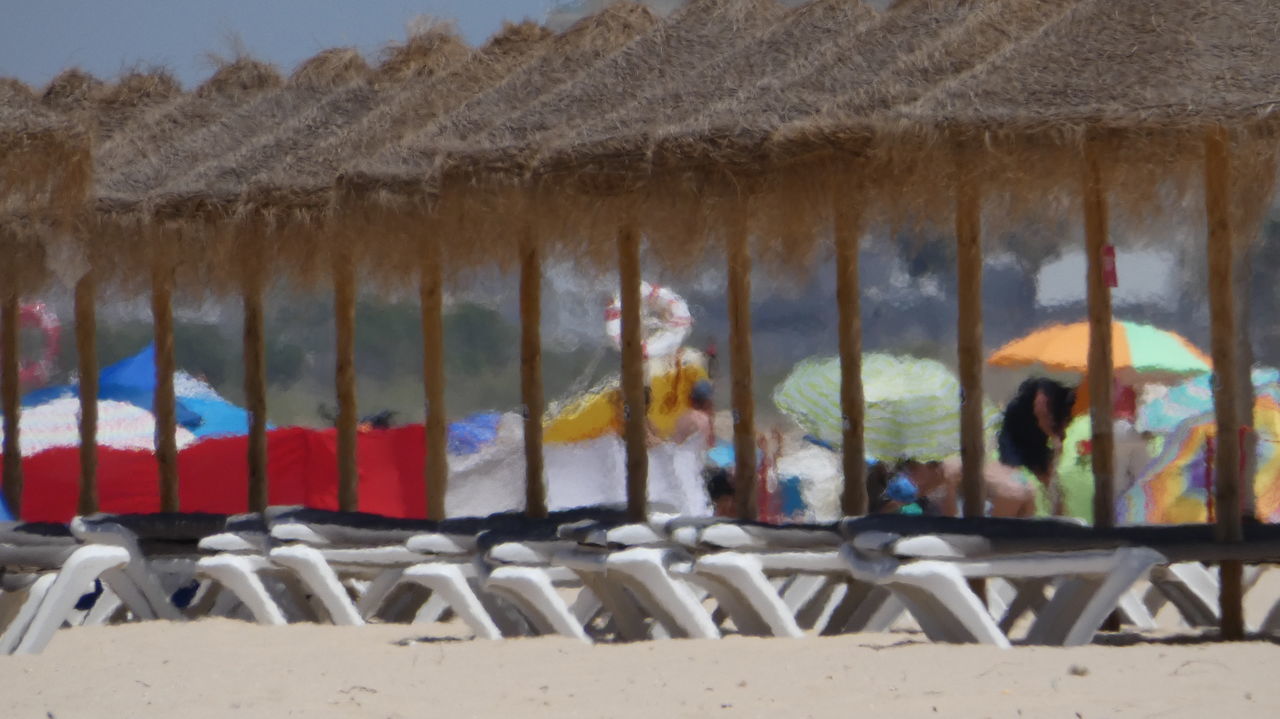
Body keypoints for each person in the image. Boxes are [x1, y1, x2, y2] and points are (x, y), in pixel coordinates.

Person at [997, 377, 1078, 515]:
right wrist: (1052, 434)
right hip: (1019, 430)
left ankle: (1058, 517)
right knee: (1015, 479)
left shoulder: (1060, 406)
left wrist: (1056, 438)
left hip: (1032, 435)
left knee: (1049, 480)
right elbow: (1040, 407)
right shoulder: (1047, 391)